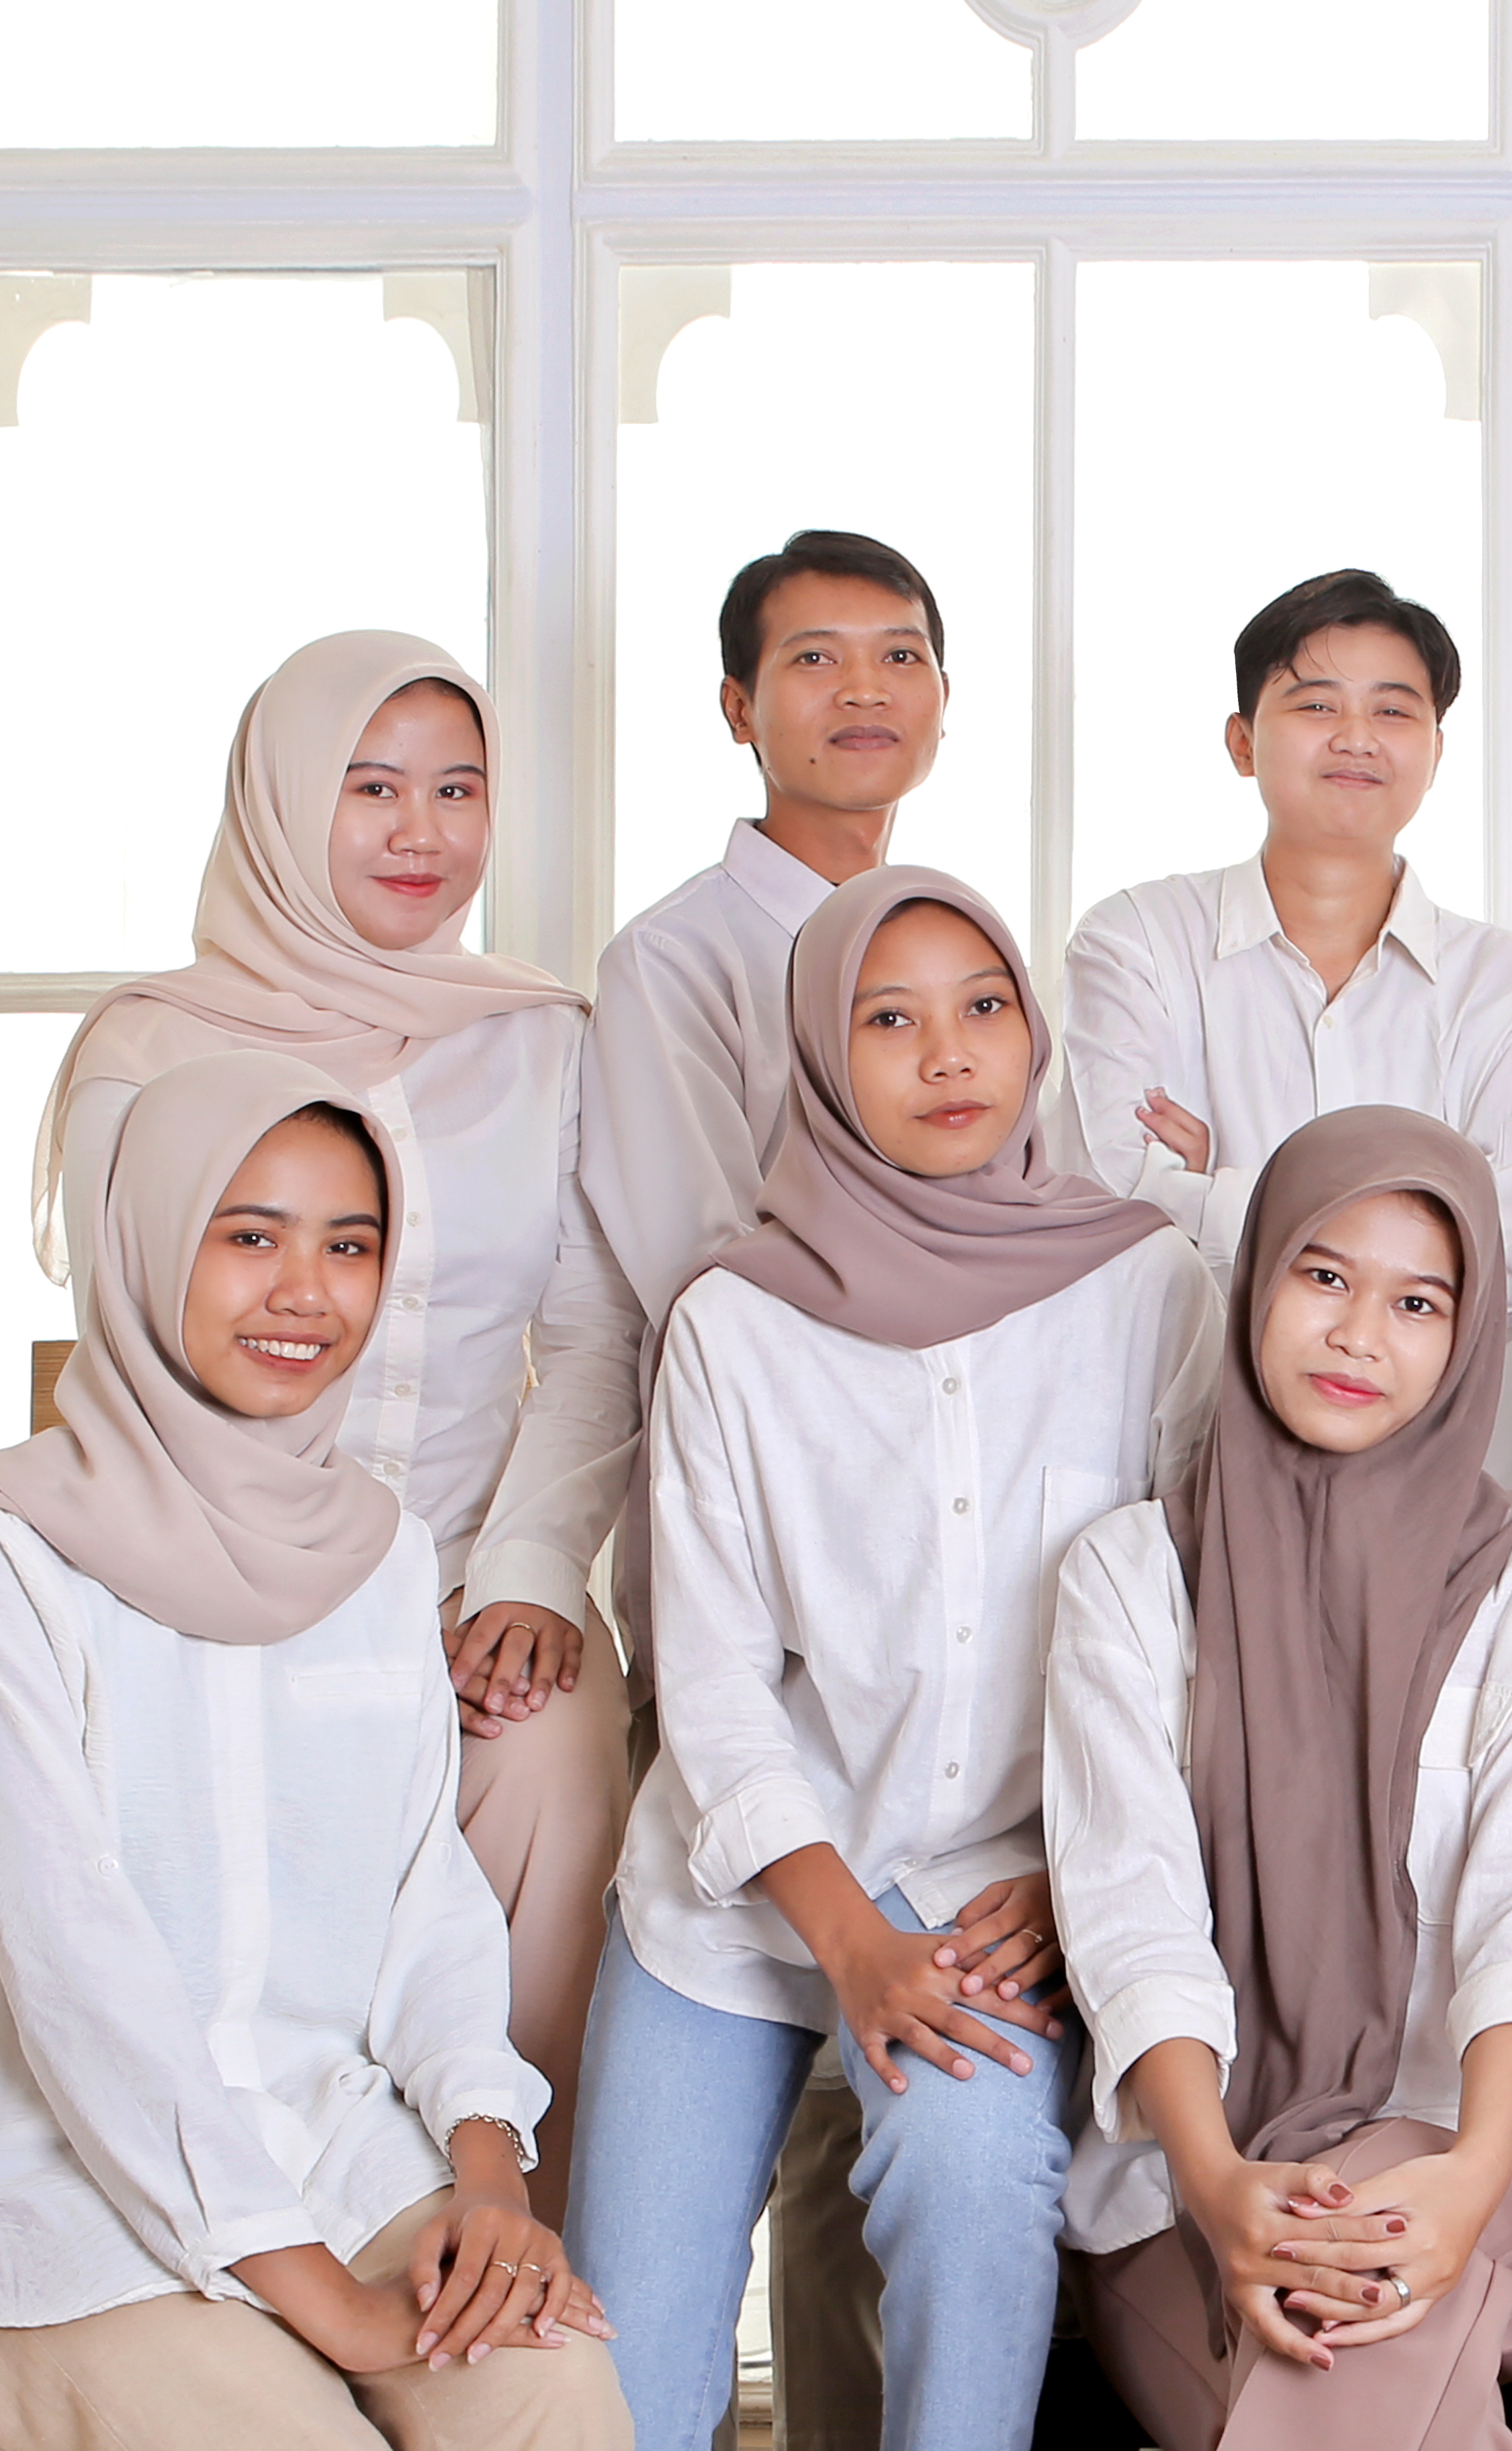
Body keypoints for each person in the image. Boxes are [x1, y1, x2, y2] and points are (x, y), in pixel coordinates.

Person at [0, 1050, 623, 2451]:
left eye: (351, 1245)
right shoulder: (4, 1563)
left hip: (332, 2143)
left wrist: (490, 2181)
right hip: (52, 2188)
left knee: (553, 2382)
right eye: (248, 1235)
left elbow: (421, 1899)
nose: (307, 1293)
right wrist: (335, 2311)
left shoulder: (379, 1550)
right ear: (143, 1245)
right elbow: (83, 1982)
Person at [567, 870, 1216, 2451]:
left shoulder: (1152, 1285)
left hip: (1000, 1884)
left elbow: (1206, 1647)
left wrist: (1084, 1884)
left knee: (970, 2191)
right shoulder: (729, 1317)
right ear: (816, 1056)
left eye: (984, 1008)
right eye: (889, 1017)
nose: (948, 1056)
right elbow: (709, 1678)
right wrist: (850, 1943)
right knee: (620, 2385)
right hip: (746, 1884)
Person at [32, 632, 635, 2218]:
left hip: (463, 1582)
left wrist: (527, 1570)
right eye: (371, 789)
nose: (420, 833)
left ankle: (515, 2243)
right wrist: (305, 1613)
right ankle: (245, 2246)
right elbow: (140, 1353)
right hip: (201, 1573)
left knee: (559, 1741)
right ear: (284, 801)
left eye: (458, 789)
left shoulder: (544, 1038)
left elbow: (586, 1336)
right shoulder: (151, 1042)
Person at [1044, 1107, 1512, 2451]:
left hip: (1447, 2141)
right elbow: (1133, 1918)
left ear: (1469, 1336)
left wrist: (1475, 2175)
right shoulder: (1128, 1577)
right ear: (1253, 1284)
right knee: (1346, 2401)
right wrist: (1221, 2185)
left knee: (1341, 2382)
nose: (1362, 1334)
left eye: (1419, 1301)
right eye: (1323, 1276)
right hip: (1178, 2174)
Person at [580, 527, 956, 2434]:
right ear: (741, 707)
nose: (863, 692)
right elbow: (675, 1275)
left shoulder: (954, 947)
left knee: (863, 2125)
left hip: (927, 1620)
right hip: (747, 1580)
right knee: (758, 2017)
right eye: (817, 661)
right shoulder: (672, 960)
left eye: (899, 655)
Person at [1057, 568, 1512, 1496]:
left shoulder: (1509, 988)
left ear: (1434, 748)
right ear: (1241, 740)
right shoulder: (1134, 941)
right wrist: (1412, 1244)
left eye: (1393, 710)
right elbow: (1114, 1220)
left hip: (1444, 1495)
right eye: (1316, 704)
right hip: (1203, 1477)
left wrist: (1224, 1187)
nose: (1356, 738)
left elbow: (1510, 1273)